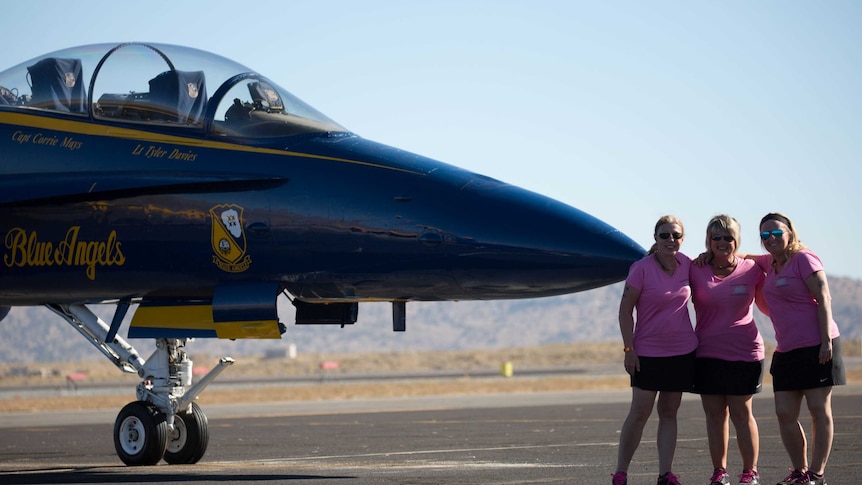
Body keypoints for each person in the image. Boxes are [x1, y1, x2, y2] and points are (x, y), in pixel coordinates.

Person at [752, 213, 845, 485]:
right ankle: (799, 471)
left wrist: (825, 340)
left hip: (818, 344)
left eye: (776, 233)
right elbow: (741, 257)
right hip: (787, 349)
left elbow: (824, 297)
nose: (771, 239)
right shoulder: (769, 263)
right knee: (784, 413)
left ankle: (816, 475)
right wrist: (707, 257)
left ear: (789, 233)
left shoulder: (803, 258)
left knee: (818, 408)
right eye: (765, 235)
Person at [612, 215, 697, 485]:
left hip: (682, 352)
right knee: (639, 413)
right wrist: (629, 349)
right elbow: (625, 311)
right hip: (647, 353)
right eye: (664, 235)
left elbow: (721, 264)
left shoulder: (690, 266)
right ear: (655, 238)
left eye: (675, 235)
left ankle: (665, 473)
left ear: (682, 239)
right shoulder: (641, 268)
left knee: (669, 412)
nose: (670, 240)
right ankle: (621, 472)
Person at [690, 215, 765, 485]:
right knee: (714, 416)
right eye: (716, 237)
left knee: (742, 414)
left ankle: (750, 472)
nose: (723, 242)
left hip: (745, 352)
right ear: (708, 241)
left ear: (737, 241)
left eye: (728, 237)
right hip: (707, 353)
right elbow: (666, 261)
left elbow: (789, 254)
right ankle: (719, 472)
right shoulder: (694, 268)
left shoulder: (752, 268)